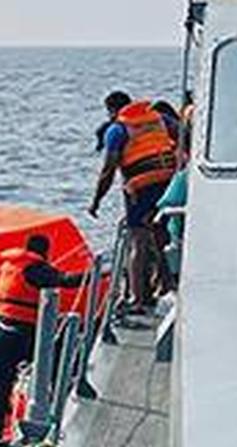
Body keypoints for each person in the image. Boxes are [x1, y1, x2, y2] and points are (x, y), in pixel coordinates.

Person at [0, 234, 86, 438]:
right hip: (21, 336)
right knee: (54, 363)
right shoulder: (35, 269)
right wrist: (94, 274)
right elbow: (65, 280)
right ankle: (57, 410)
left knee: (0, 386)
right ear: (44, 252)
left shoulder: (10, 266)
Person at [87, 90, 178, 311]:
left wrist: (96, 200)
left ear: (111, 110)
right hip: (168, 182)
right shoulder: (159, 119)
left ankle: (137, 300)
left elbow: (108, 169)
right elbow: (184, 136)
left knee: (138, 240)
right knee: (162, 235)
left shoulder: (117, 130)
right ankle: (168, 287)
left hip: (140, 188)